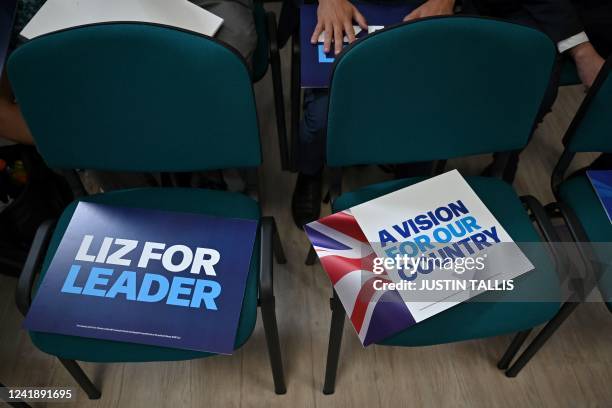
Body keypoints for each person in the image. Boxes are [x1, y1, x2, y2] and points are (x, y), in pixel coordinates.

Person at [0, 0, 258, 146]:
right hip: (64, 59)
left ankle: (220, 163)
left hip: (154, 11)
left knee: (230, 46)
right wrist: (72, 141)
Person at [292, 0, 455, 228]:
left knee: (422, 111)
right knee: (322, 117)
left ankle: (412, 182)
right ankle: (310, 172)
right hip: (342, 7)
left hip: (416, 10)